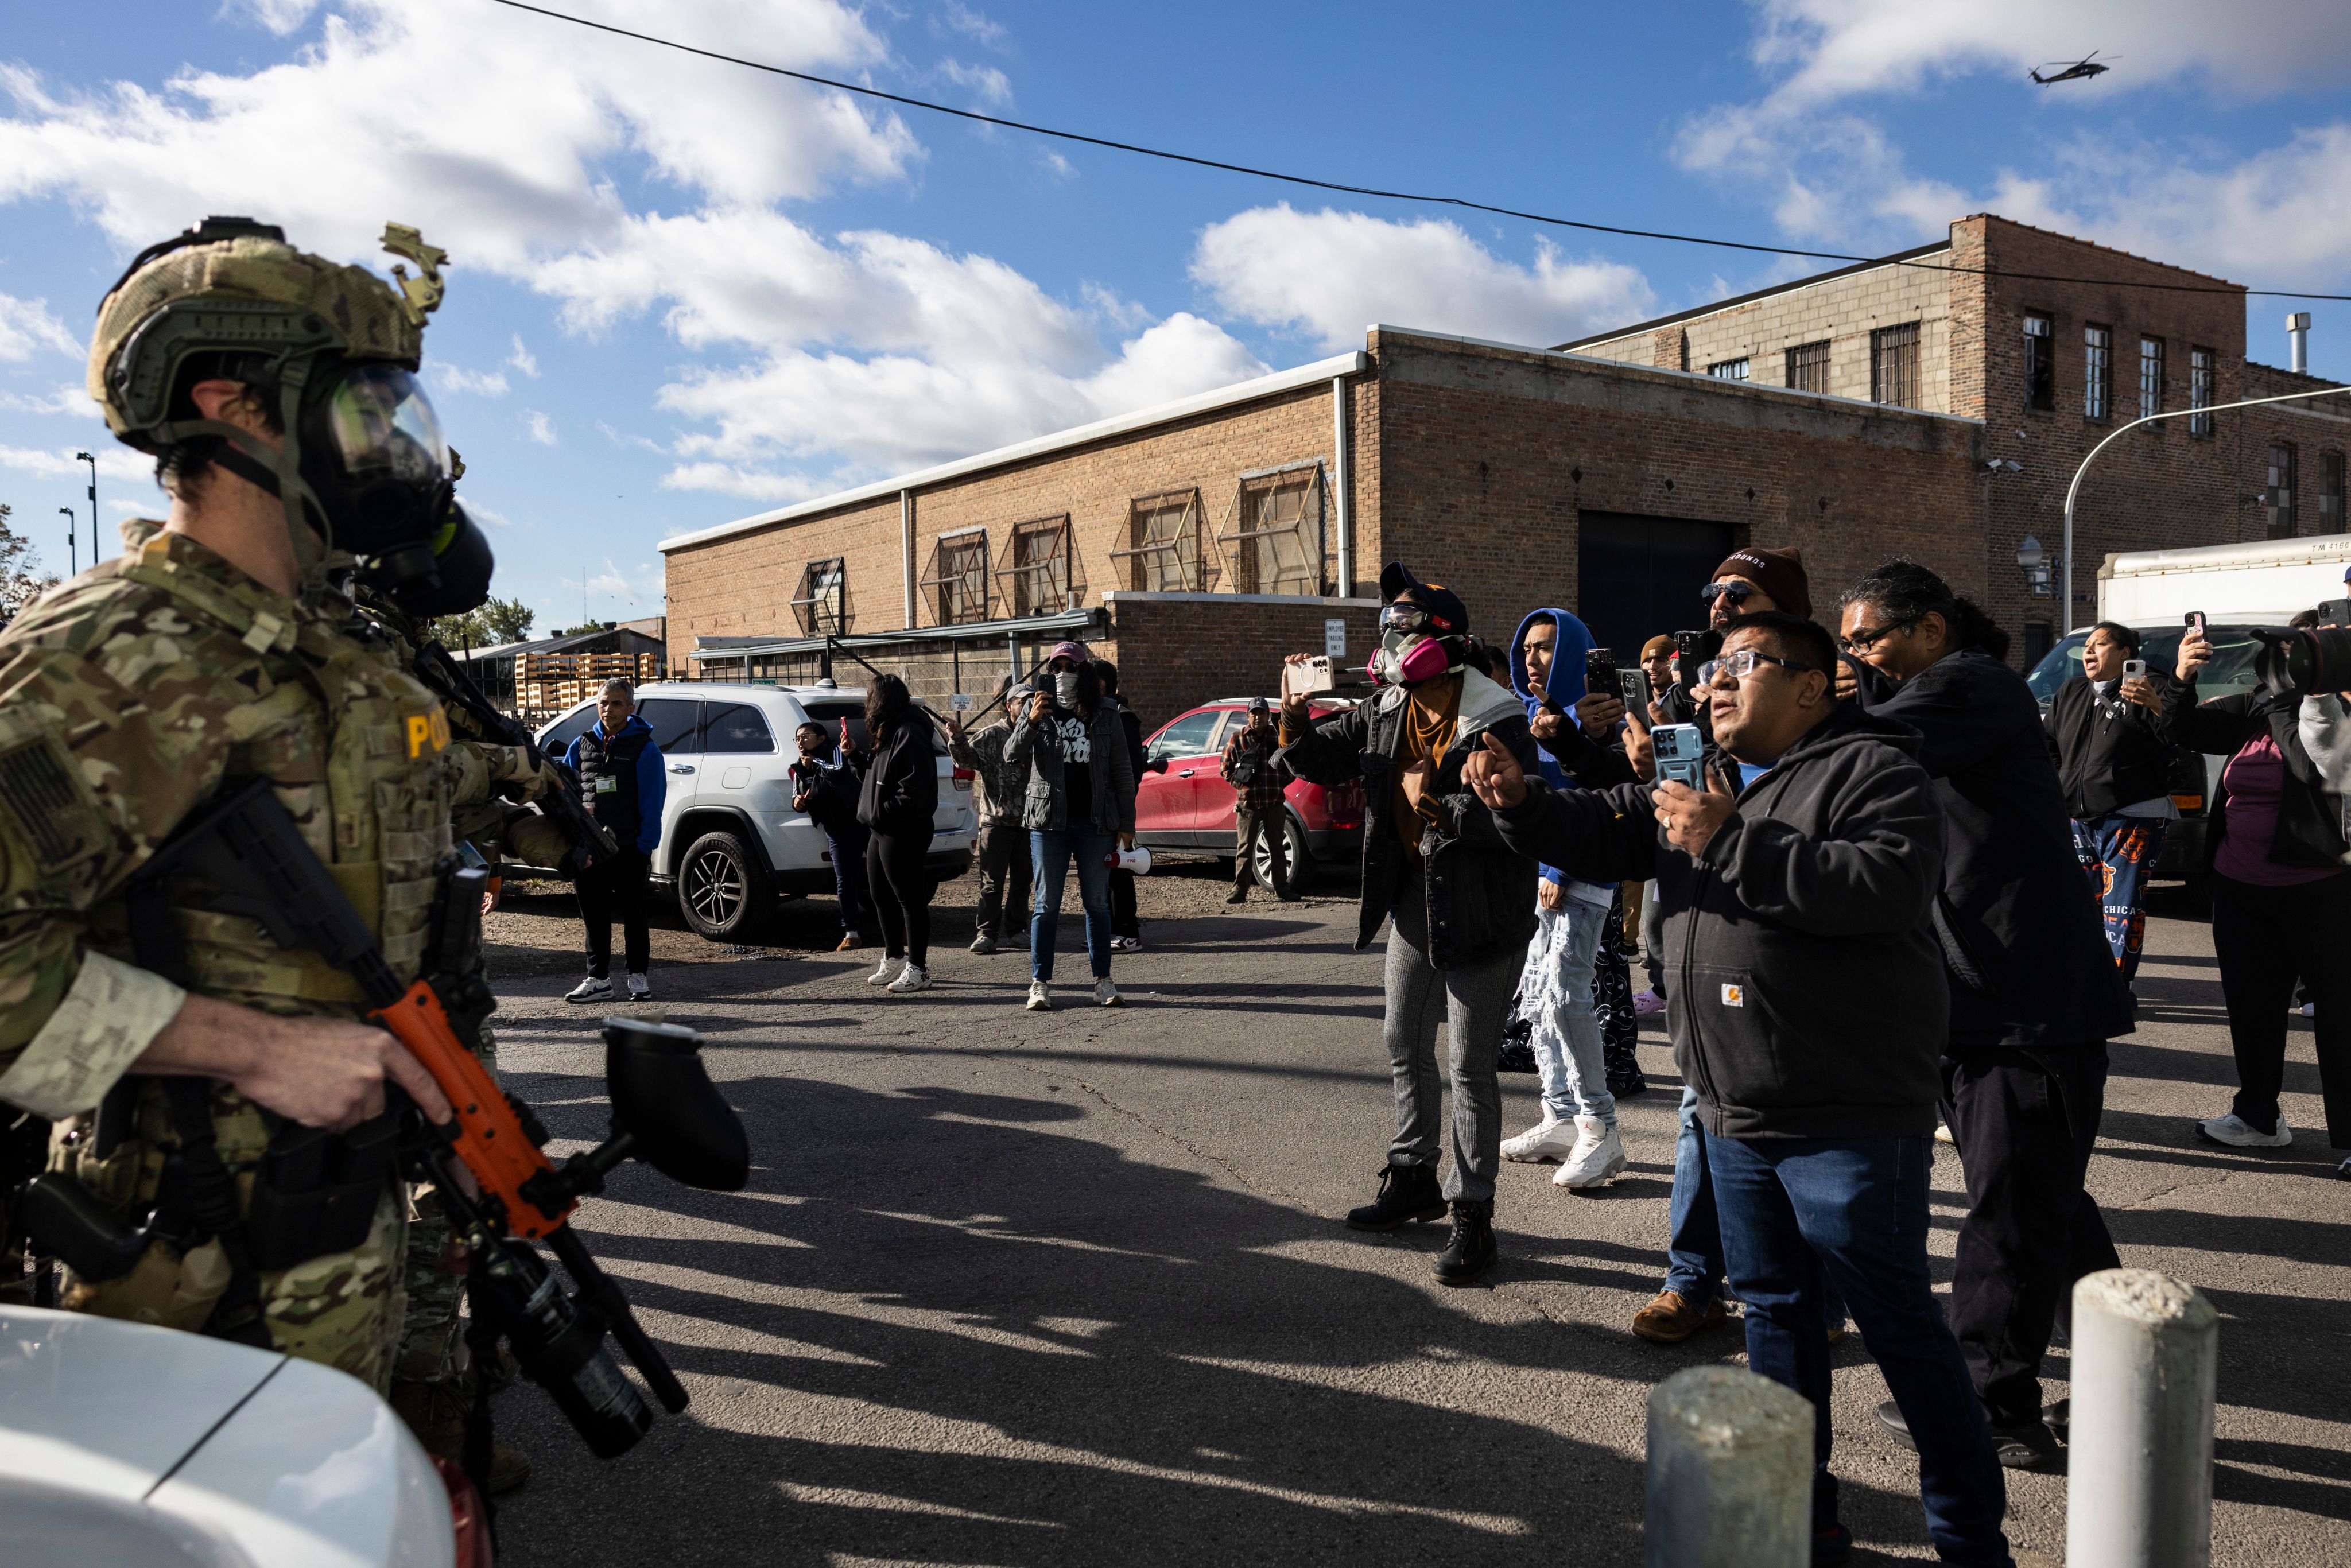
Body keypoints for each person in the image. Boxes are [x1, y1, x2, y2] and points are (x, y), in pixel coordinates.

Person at [0, 217, 491, 1395]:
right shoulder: (99, 659)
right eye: (363, 409)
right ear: (237, 409)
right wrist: (255, 1049)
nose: (395, 444)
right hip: (186, 1289)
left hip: (346, 1261)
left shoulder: (341, 659)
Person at [1468, 612, 2012, 1567]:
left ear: (1813, 684)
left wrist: (1730, 840)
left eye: (1742, 665)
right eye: (1712, 669)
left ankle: (1970, 1541)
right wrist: (1519, 803)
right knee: (1774, 1320)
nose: (1714, 683)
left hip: (1846, 1113)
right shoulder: (1702, 780)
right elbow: (1601, 827)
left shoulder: (1872, 769)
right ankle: (1800, 1525)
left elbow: (1884, 886)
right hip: (1731, 1111)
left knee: (1899, 1330)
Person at [1840, 561, 2129, 1470]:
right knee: (2044, 1194)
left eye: (1866, 639)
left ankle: (1991, 1400)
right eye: (1844, 644)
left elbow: (1857, 749)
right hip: (1987, 1002)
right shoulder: (1950, 692)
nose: (1857, 657)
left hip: (2026, 1007)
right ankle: (2134, 1358)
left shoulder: (1968, 685)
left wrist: (1790, 699)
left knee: (2010, 1204)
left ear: (1929, 628)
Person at [1276, 563, 1538, 1285]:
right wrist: (1293, 712)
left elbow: (1518, 820)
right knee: (1402, 1038)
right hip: (1419, 899)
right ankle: (1413, 1174)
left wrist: (1440, 803)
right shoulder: (1388, 705)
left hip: (1486, 905)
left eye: (1405, 624)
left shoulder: (1497, 716)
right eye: (1386, 623)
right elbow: (1324, 762)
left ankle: (1473, 1214)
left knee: (1470, 1065)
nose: (1390, 635)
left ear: (1442, 640)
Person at [1628, 546, 1815, 1345]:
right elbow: (1668, 802)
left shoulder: (1819, 699)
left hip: (1794, 943)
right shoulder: (1695, 688)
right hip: (1705, 935)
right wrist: (1639, 764)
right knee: (1698, 1115)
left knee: (1809, 1139)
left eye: (1735, 593)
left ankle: (1819, 1297)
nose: (1715, 604)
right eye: (1710, 592)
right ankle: (1693, 1283)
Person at [2161, 618, 2348, 1157]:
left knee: (2341, 1015)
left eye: (2299, 653)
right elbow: (2180, 730)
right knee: (2252, 1009)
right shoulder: (2254, 708)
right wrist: (2182, 677)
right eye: (2282, 653)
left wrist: (2299, 698)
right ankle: (2258, 1116)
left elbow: (2314, 766)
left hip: (2324, 889)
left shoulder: (2332, 713)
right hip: (2242, 889)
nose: (2284, 663)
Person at [1499, 607, 1626, 1188]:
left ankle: (1600, 1128)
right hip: (1540, 876)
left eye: (1547, 647)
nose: (1533, 657)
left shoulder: (1595, 714)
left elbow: (1592, 790)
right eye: (1526, 646)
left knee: (1569, 997)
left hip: (1580, 872)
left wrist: (1557, 865)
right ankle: (1558, 1115)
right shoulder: (1529, 713)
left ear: (1573, 653)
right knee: (1539, 998)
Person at [1006, 641, 1137, 1010]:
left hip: (1095, 823)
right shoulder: (1038, 711)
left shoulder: (1106, 713)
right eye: (1057, 666)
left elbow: (1122, 772)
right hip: (1049, 823)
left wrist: (1127, 822)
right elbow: (1011, 756)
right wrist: (1030, 722)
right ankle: (1040, 983)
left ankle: (1103, 982)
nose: (1064, 673)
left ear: (1085, 673)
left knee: (1097, 903)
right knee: (1046, 904)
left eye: (1072, 666)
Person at [2046, 622, 2176, 987]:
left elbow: (2177, 737)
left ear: (2125, 654)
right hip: (2077, 818)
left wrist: (2158, 706)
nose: (2088, 652)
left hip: (2133, 814)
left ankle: (2114, 992)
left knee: (2121, 909)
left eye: (2099, 645)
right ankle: (2085, 983)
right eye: (2086, 646)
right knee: (2080, 906)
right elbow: (2049, 746)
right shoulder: (2070, 692)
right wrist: (2062, 783)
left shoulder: (2154, 687)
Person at [565, 679, 666, 1004]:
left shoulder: (644, 748)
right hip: (589, 850)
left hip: (628, 848)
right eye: (603, 702)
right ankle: (598, 979)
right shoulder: (580, 745)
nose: (608, 709)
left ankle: (638, 976)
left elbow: (653, 800)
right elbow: (565, 792)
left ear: (630, 708)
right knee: (594, 915)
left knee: (635, 914)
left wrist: (644, 845)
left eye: (617, 703)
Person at [849, 673, 940, 993]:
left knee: (909, 899)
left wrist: (882, 812)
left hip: (903, 828)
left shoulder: (909, 732)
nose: (866, 703)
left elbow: (911, 791)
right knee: (879, 894)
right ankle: (895, 958)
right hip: (882, 827)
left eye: (870, 696)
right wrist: (855, 758)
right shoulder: (888, 732)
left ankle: (919, 969)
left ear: (881, 700)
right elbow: (877, 780)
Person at [946, 678, 1031, 955]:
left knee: (1023, 881)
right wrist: (958, 738)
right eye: (1022, 702)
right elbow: (966, 761)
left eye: (1031, 701)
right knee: (992, 883)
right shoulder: (992, 735)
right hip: (996, 823)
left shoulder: (1038, 734)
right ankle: (987, 934)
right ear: (1009, 707)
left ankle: (1017, 930)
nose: (1028, 707)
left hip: (1030, 823)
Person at [792, 719, 872, 952]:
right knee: (844, 881)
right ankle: (851, 933)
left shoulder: (836, 751)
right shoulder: (799, 766)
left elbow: (840, 773)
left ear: (822, 737)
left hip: (861, 822)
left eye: (806, 736)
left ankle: (902, 929)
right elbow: (797, 795)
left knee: (881, 876)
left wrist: (815, 762)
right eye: (797, 738)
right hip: (835, 829)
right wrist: (798, 803)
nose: (801, 741)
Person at [1095, 661, 1149, 949]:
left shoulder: (1121, 718)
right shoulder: (1096, 714)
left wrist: (1121, 812)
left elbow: (1130, 771)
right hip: (1098, 811)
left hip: (1115, 811)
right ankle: (1106, 932)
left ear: (1101, 685)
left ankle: (1128, 934)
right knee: (1100, 874)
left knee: (1119, 871)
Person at [1220, 697, 1290, 904]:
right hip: (1247, 804)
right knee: (1245, 849)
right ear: (1248, 716)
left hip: (1274, 801)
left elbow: (1291, 765)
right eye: (1254, 713)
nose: (1258, 717)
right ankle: (1239, 891)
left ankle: (1282, 889)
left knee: (1277, 848)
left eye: (1262, 713)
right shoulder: (1237, 738)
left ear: (1269, 715)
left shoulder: (1277, 737)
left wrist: (1281, 782)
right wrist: (1241, 785)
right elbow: (1225, 768)